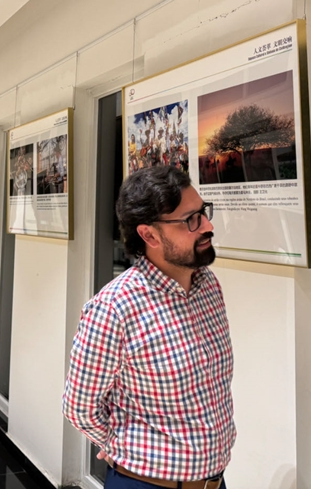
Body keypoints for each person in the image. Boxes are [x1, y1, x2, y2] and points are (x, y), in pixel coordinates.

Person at [63, 165, 234, 489]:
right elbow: (79, 407)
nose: (207, 226)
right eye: (191, 220)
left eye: (203, 213)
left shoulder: (208, 286)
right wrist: (123, 447)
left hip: (214, 482)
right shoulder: (114, 308)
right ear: (149, 235)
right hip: (145, 484)